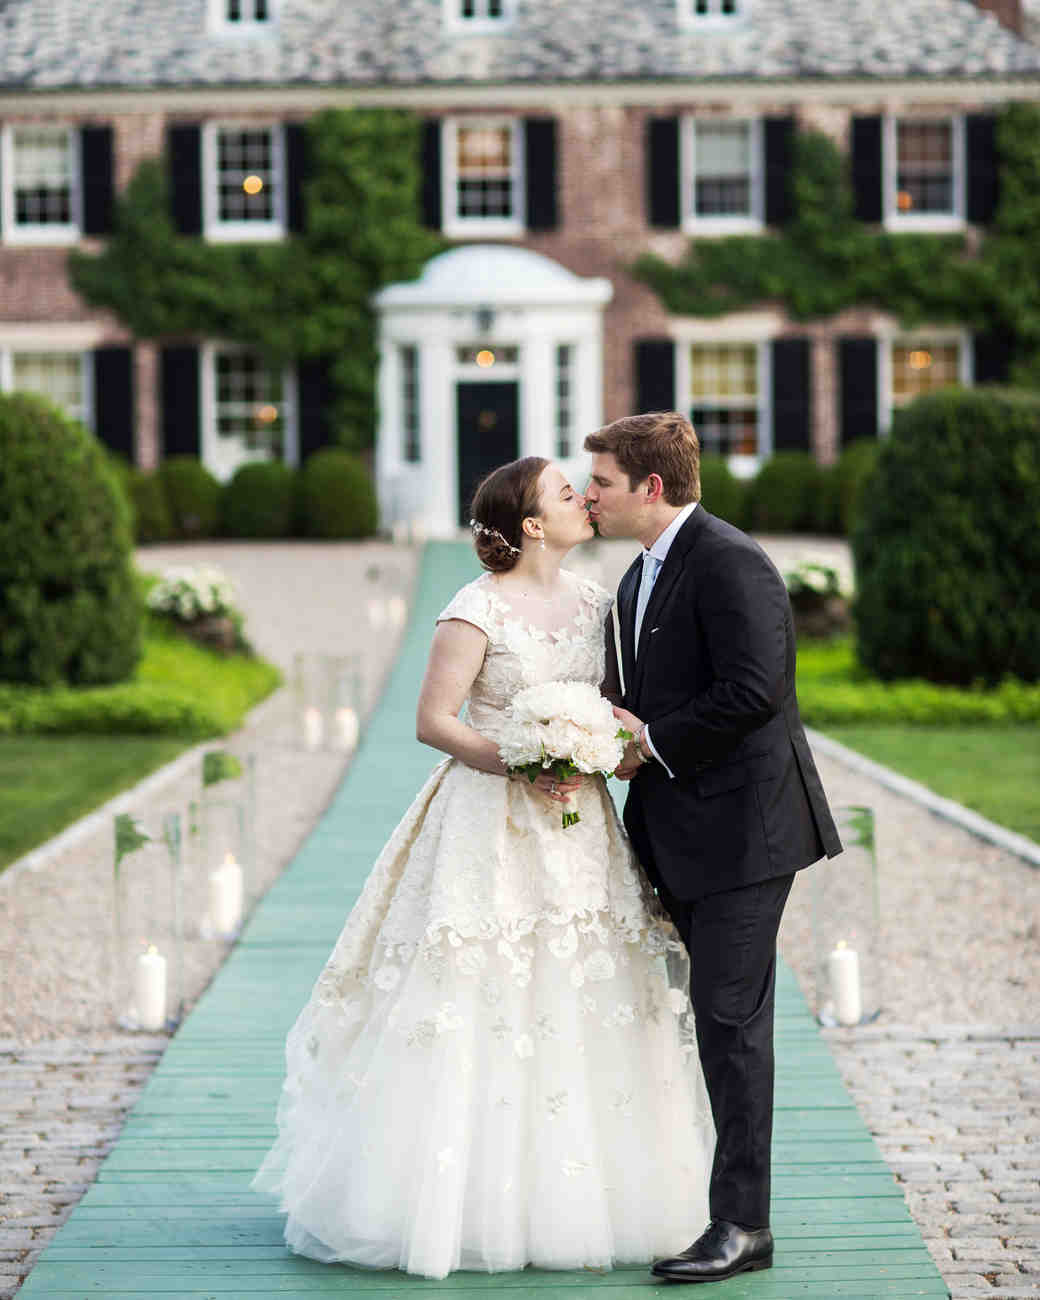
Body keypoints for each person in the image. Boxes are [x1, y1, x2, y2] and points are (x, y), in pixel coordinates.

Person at [252, 455, 715, 1280]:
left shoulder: (597, 605)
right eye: (568, 494)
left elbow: (613, 708)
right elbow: (434, 721)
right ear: (533, 524)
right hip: (488, 821)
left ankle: (579, 1198)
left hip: (580, 833)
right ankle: (453, 1204)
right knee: (482, 983)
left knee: (583, 983)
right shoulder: (474, 609)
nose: (585, 500)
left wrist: (603, 747)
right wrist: (524, 762)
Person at [584, 411, 843, 1284]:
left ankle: (743, 1224)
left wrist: (649, 741)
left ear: (650, 488)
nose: (591, 496)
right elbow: (631, 696)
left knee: (731, 1026)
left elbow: (754, 691)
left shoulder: (731, 560)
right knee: (707, 1020)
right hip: (675, 832)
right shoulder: (635, 577)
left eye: (604, 483)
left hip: (746, 833)